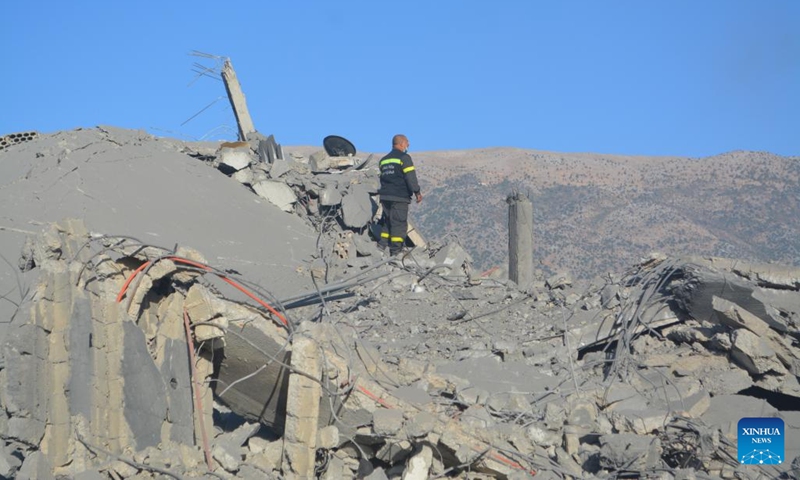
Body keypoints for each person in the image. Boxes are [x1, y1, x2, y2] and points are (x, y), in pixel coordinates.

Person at [377, 134, 423, 255]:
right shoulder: (404, 158)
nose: (408, 145)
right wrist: (417, 192)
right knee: (399, 223)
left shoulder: (383, 160)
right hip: (399, 197)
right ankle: (396, 252)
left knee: (387, 221)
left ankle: (381, 246)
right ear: (401, 143)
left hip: (385, 197)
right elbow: (410, 177)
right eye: (407, 143)